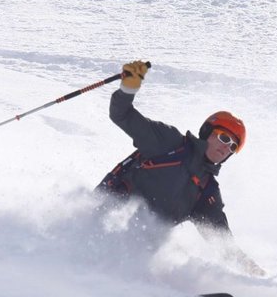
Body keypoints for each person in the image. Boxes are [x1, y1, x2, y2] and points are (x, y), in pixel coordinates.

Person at [98, 60, 262, 273]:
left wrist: (252, 270)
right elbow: (121, 115)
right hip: (101, 219)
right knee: (112, 244)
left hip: (136, 251)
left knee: (148, 256)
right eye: (223, 137)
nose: (226, 147)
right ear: (207, 131)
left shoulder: (206, 191)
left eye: (233, 146)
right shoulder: (169, 143)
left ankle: (142, 287)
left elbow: (221, 241)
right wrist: (129, 87)